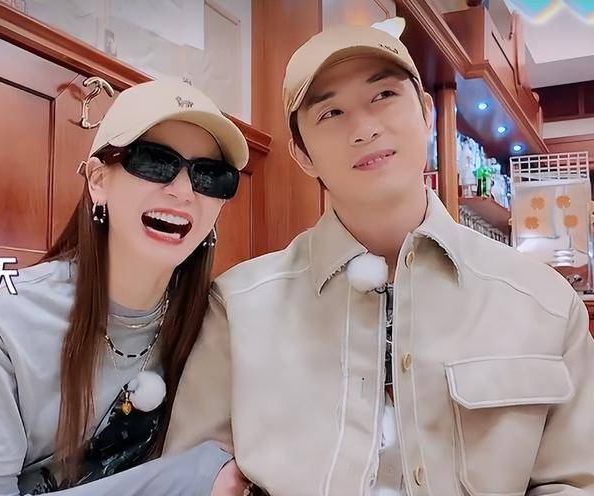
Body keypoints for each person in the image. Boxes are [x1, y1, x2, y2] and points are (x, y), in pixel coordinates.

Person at [164, 22, 594, 495]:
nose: (365, 128)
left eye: (384, 95)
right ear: (302, 154)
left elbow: (574, 480)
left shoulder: (543, 302)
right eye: (331, 112)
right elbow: (189, 478)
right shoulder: (238, 308)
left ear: (426, 112)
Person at [0, 78, 251, 496]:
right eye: (154, 162)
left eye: (211, 176)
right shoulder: (1, 317)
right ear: (98, 180)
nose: (184, 192)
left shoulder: (220, 321)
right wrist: (192, 478)